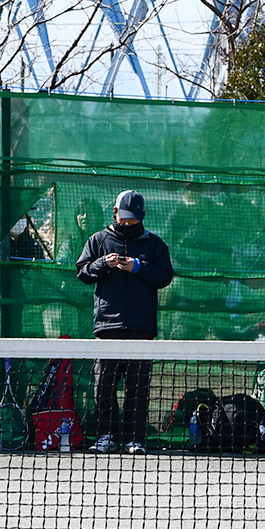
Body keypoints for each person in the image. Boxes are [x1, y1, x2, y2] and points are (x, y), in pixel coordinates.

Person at [76, 190, 174, 455]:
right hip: (107, 327)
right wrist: (102, 264)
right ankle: (106, 436)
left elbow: (165, 276)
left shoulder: (154, 245)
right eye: (123, 218)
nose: (127, 223)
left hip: (142, 328)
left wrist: (139, 267)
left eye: (133, 219)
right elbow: (82, 272)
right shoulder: (97, 240)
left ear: (142, 216)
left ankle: (134, 439)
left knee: (138, 386)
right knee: (103, 385)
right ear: (115, 213)